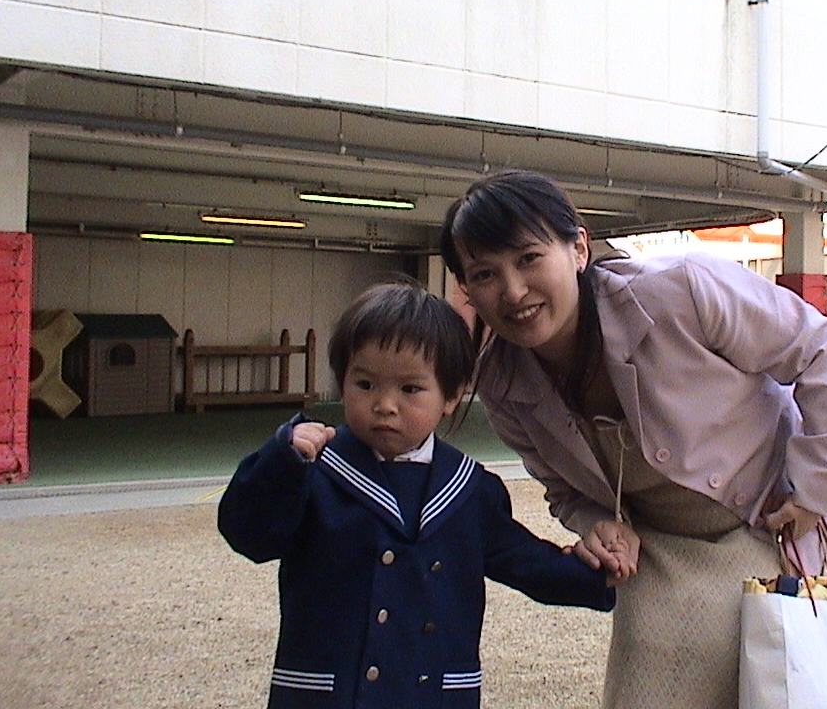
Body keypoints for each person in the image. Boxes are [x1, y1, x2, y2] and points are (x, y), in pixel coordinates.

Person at [438, 170, 827, 709]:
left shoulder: (680, 289)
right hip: (659, 546)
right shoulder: (501, 380)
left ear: (578, 248)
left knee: (773, 672)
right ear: (466, 289)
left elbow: (817, 351)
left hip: (771, 512)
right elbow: (564, 491)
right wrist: (598, 524)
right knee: (647, 683)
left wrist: (813, 489)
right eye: (485, 274)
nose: (514, 291)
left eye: (528, 259)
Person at [217, 282, 614, 709]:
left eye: (409, 389)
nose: (385, 404)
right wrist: (280, 461)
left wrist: (599, 574)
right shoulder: (313, 471)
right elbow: (249, 535)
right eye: (365, 383)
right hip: (329, 694)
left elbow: (525, 561)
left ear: (452, 395)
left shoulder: (469, 488)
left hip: (433, 693)